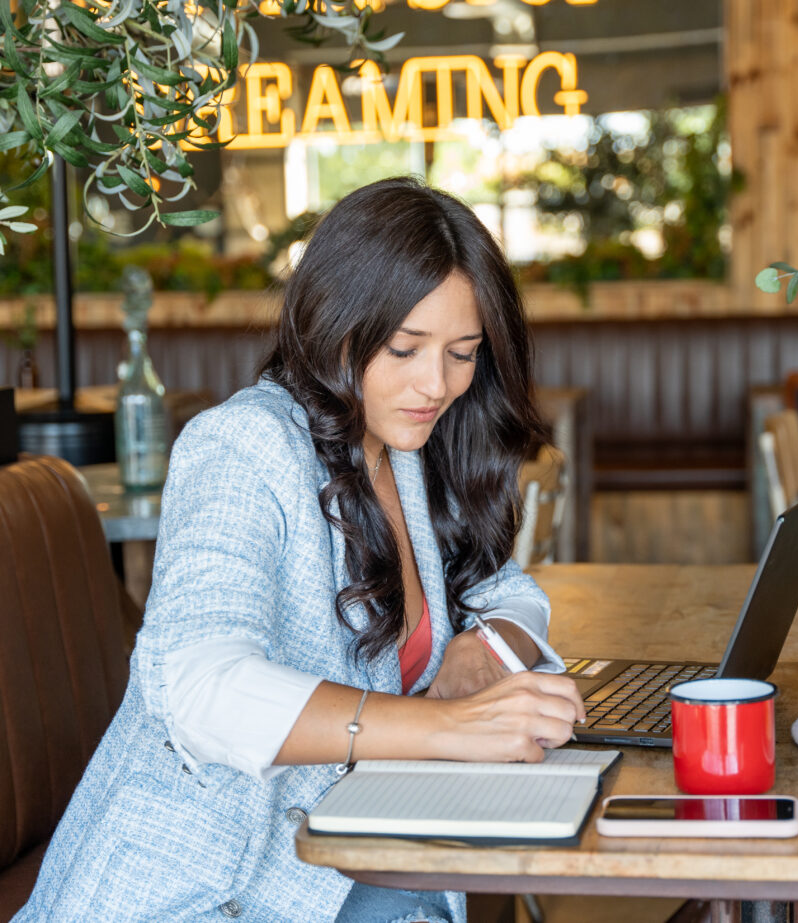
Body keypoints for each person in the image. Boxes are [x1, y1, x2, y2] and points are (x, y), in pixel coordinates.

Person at [16, 176, 586, 923]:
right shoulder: (244, 445)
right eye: (405, 347)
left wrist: (488, 645)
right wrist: (445, 726)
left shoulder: (408, 444)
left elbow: (510, 587)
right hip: (201, 886)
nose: (436, 383)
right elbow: (202, 686)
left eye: (462, 352)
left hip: (344, 857)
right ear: (336, 322)